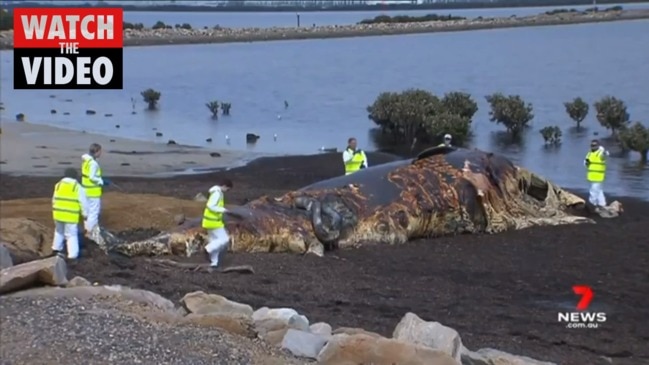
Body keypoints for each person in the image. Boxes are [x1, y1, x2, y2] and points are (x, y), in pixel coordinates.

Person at [51, 168, 88, 260]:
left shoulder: (58, 185)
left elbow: (54, 199)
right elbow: (83, 202)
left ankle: (56, 249)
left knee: (59, 232)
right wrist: (85, 214)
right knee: (71, 235)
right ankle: (72, 255)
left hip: (58, 214)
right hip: (70, 215)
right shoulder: (77, 187)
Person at [202, 178, 235, 267]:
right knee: (224, 239)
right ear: (224, 186)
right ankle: (208, 249)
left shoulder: (215, 192)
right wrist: (223, 210)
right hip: (214, 222)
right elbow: (210, 206)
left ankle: (214, 263)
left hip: (209, 221)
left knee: (214, 240)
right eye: (227, 189)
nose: (227, 191)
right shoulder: (217, 193)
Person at [81, 143, 110, 240]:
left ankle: (87, 231)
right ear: (96, 151)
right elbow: (92, 177)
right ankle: (91, 233)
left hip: (85, 190)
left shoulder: (87, 161)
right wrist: (101, 181)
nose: (101, 153)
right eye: (100, 151)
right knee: (94, 213)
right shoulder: (93, 164)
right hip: (93, 192)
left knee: (87, 212)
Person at [584, 139, 609, 209]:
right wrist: (586, 163)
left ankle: (592, 204)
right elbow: (585, 163)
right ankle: (602, 204)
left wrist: (604, 153)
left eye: (594, 145)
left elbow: (605, 155)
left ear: (598, 145)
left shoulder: (600, 153)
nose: (593, 146)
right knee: (599, 191)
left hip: (598, 176)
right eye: (592, 145)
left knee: (593, 191)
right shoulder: (589, 153)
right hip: (591, 176)